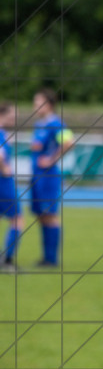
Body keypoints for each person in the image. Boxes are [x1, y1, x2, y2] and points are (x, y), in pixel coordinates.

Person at [29, 88, 73, 268]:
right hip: (37, 175)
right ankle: (45, 257)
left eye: (38, 102)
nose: (35, 106)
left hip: (48, 176)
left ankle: (51, 259)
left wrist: (52, 158)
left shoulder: (56, 123)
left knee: (50, 215)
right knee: (40, 215)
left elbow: (69, 142)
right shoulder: (40, 124)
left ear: (49, 104)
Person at [0, 102, 23, 272]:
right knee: (17, 219)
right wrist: (4, 168)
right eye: (12, 114)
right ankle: (6, 261)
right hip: (3, 182)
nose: (15, 117)